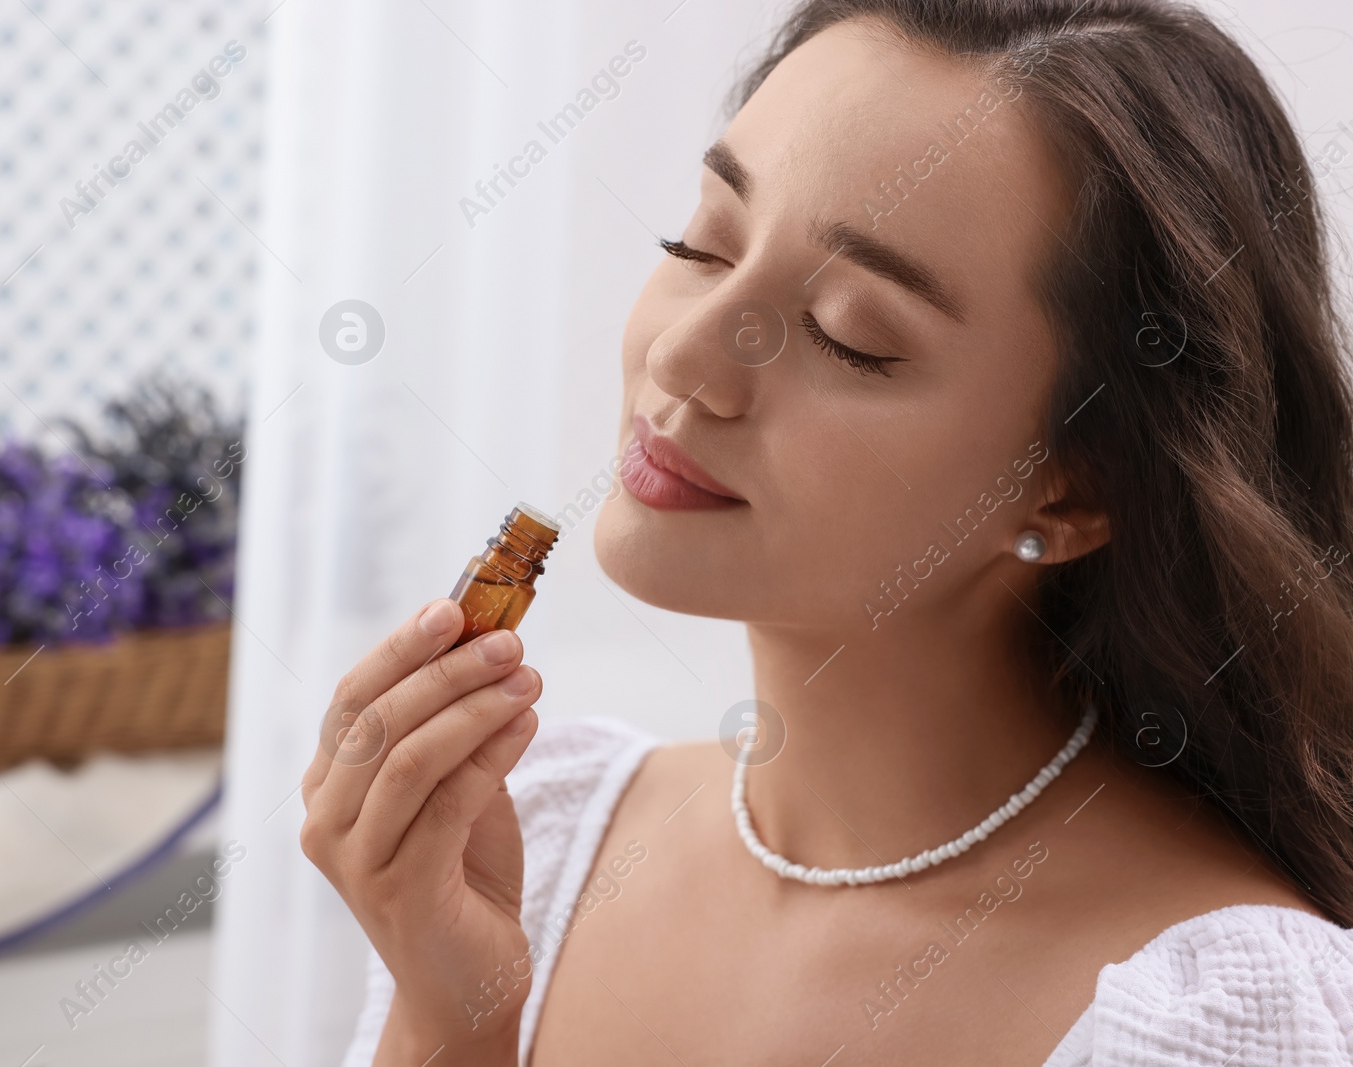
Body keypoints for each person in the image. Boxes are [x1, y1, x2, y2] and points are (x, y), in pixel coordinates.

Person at [301, 1, 1353, 1063]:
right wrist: (455, 1014)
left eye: (847, 335)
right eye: (703, 243)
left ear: (1073, 492)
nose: (686, 361)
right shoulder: (541, 842)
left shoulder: (1212, 1018)